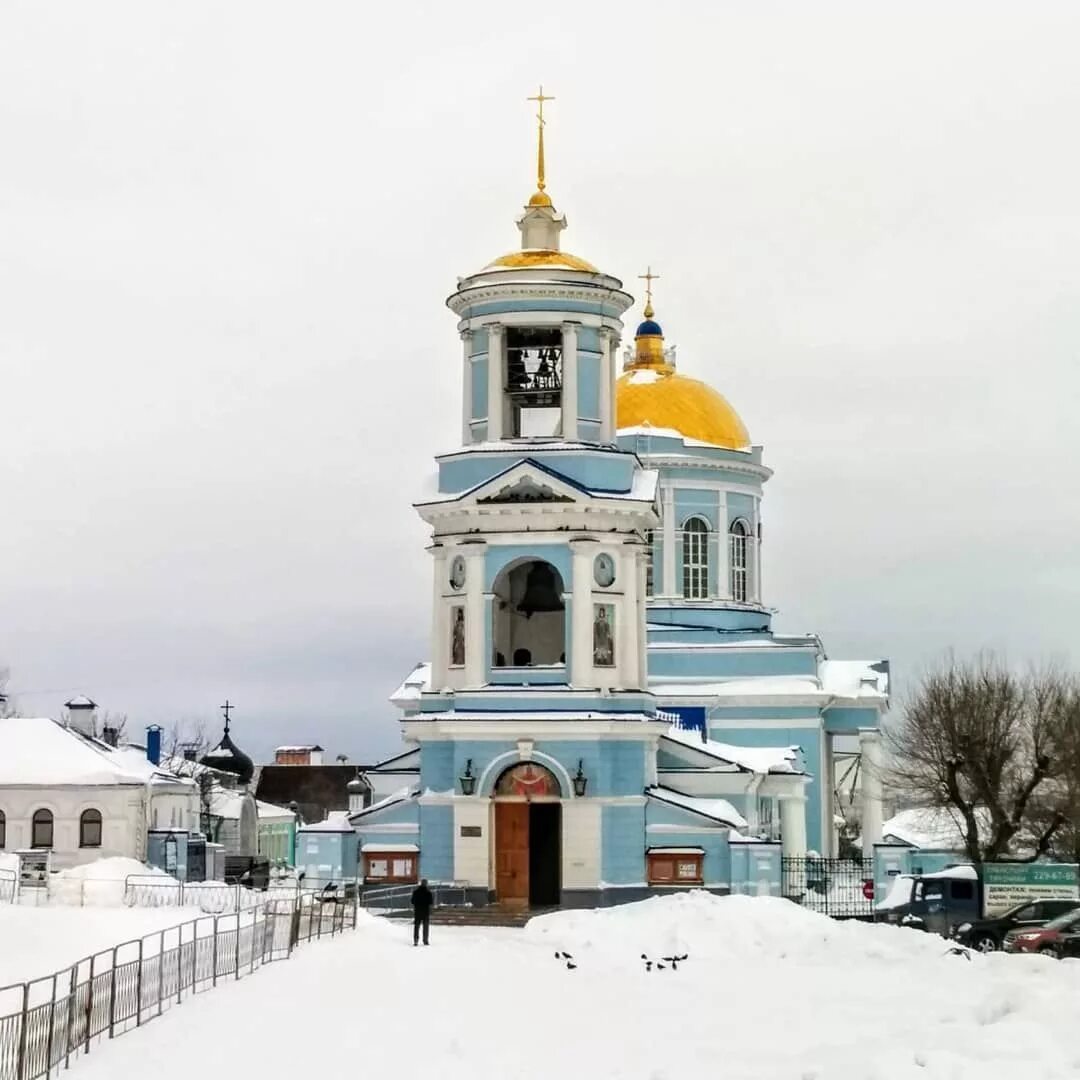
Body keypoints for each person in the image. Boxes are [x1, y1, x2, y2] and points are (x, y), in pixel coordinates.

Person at [411, 878, 434, 946]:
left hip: (417, 912)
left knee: (416, 926)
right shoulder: (428, 893)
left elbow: (412, 901)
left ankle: (416, 940)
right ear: (426, 884)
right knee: (425, 927)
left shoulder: (416, 892)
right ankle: (425, 940)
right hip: (425, 912)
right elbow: (431, 902)